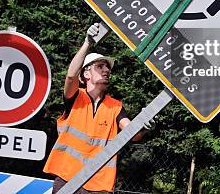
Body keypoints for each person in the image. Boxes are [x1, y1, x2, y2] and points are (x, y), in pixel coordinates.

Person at [43, 23, 151, 193]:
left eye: (107, 67)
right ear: (86, 74)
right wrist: (87, 42)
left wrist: (144, 124)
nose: (106, 70)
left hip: (98, 185)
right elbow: (71, 75)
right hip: (67, 177)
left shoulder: (115, 107)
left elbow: (134, 134)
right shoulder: (76, 97)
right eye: (99, 66)